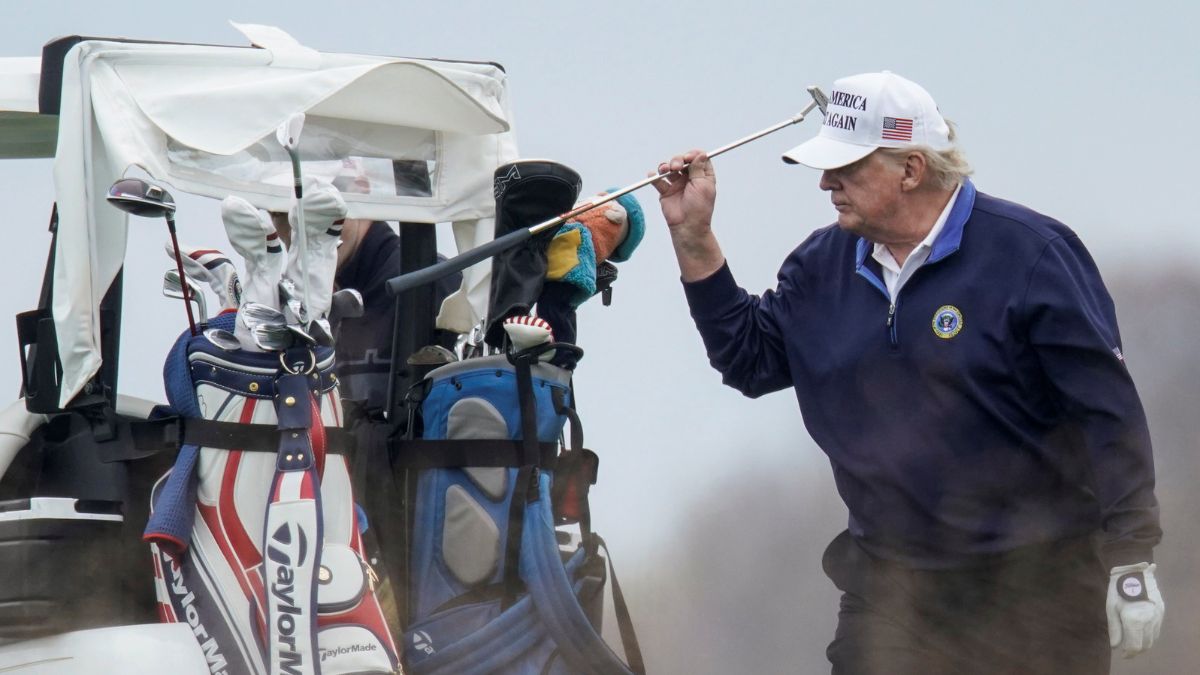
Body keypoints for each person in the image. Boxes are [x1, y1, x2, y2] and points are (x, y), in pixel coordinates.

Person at [653, 71, 1164, 674]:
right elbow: (749, 359)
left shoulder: (1032, 255)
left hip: (1039, 593)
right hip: (892, 597)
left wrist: (1132, 556)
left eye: (846, 169)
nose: (825, 183)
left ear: (911, 170)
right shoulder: (821, 265)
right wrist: (694, 239)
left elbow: (1108, 415)